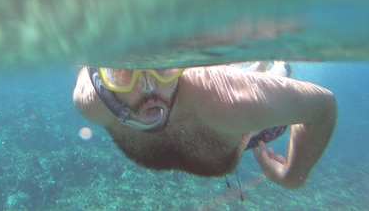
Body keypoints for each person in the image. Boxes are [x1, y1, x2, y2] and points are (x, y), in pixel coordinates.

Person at [73, 61, 337, 189]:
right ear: (102, 78)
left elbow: (323, 108)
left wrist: (292, 176)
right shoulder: (92, 103)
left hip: (248, 130)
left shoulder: (228, 102)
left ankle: (277, 67)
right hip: (226, 126)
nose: (148, 88)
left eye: (164, 66)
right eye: (123, 73)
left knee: (267, 79)